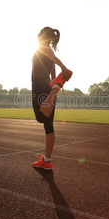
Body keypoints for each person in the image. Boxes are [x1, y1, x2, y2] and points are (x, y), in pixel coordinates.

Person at [31, 27, 72, 170]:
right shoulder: (48, 51)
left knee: (40, 117)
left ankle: (54, 91)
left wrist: (64, 68)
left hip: (39, 90)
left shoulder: (43, 48)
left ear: (42, 37)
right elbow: (53, 77)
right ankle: (47, 161)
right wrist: (56, 82)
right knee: (48, 126)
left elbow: (53, 59)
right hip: (48, 90)